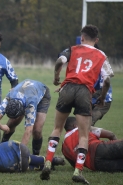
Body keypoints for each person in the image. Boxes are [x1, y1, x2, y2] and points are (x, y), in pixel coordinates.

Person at [40, 24, 114, 184]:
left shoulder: (73, 49)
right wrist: (102, 96)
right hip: (84, 92)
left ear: (82, 38)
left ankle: (47, 162)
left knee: (57, 128)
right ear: (97, 39)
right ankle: (77, 171)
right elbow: (107, 78)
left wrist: (56, 77)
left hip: (67, 88)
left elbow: (60, 60)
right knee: (83, 134)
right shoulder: (101, 55)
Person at [0, 79, 51, 155]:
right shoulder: (9, 97)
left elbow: (28, 130)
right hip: (25, 93)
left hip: (41, 94)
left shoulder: (30, 105)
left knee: (37, 130)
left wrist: (20, 153)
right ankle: (3, 145)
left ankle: (36, 155)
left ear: (23, 110)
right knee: (12, 122)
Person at [0, 140, 65, 173]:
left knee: (20, 166)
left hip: (10, 162)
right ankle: (53, 160)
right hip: (15, 146)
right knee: (26, 157)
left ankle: (45, 167)